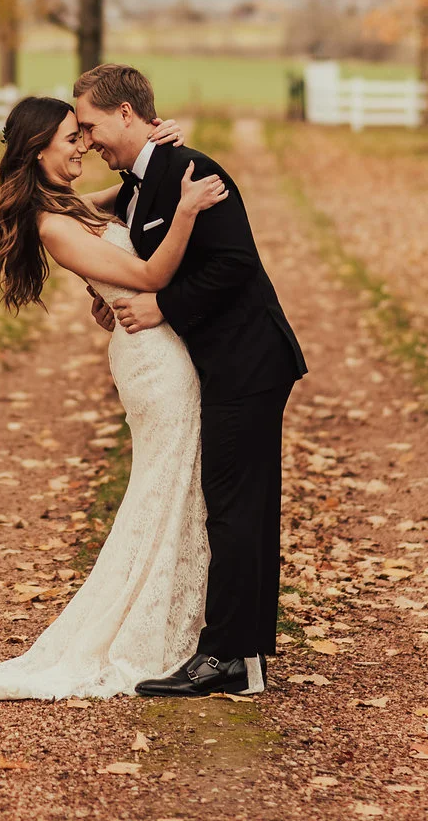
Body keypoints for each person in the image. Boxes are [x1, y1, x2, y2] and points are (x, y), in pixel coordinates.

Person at [0, 97, 221, 701]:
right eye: (72, 138)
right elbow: (149, 277)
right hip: (154, 365)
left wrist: (157, 146)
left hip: (157, 350)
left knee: (176, 485)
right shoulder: (52, 224)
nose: (84, 147)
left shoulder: (64, 207)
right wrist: (186, 209)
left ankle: (184, 618)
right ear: (39, 147)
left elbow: (128, 199)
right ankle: (150, 630)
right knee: (165, 486)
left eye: (85, 134)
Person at [72, 63, 306, 698]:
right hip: (223, 363)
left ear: (127, 114)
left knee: (236, 508)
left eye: (92, 125)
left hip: (250, 360)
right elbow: (144, 251)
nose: (88, 141)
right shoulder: (141, 182)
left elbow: (234, 265)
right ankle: (244, 653)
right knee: (232, 505)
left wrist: (161, 307)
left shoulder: (193, 172)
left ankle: (231, 659)